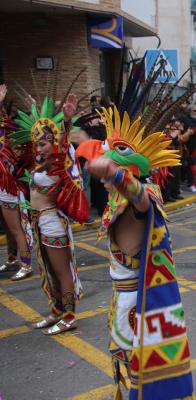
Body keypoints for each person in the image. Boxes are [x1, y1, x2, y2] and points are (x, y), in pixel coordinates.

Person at [78, 106, 194, 399]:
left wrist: (118, 177)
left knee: (141, 375)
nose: (101, 156)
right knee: (131, 370)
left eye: (111, 154)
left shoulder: (142, 197)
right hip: (124, 298)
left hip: (137, 304)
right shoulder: (119, 199)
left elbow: (139, 197)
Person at [11, 94, 89, 335]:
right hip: (39, 223)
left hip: (52, 222)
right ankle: (56, 311)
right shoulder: (42, 162)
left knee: (61, 271)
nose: (39, 148)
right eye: (37, 143)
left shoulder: (60, 161)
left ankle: (68, 316)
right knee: (49, 271)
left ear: (54, 142)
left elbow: (65, 146)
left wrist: (66, 120)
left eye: (44, 143)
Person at [0, 84, 33, 281]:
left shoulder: (9, 137)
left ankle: (26, 264)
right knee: (7, 226)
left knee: (15, 227)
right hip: (2, 187)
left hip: (8, 187)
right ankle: (12, 258)